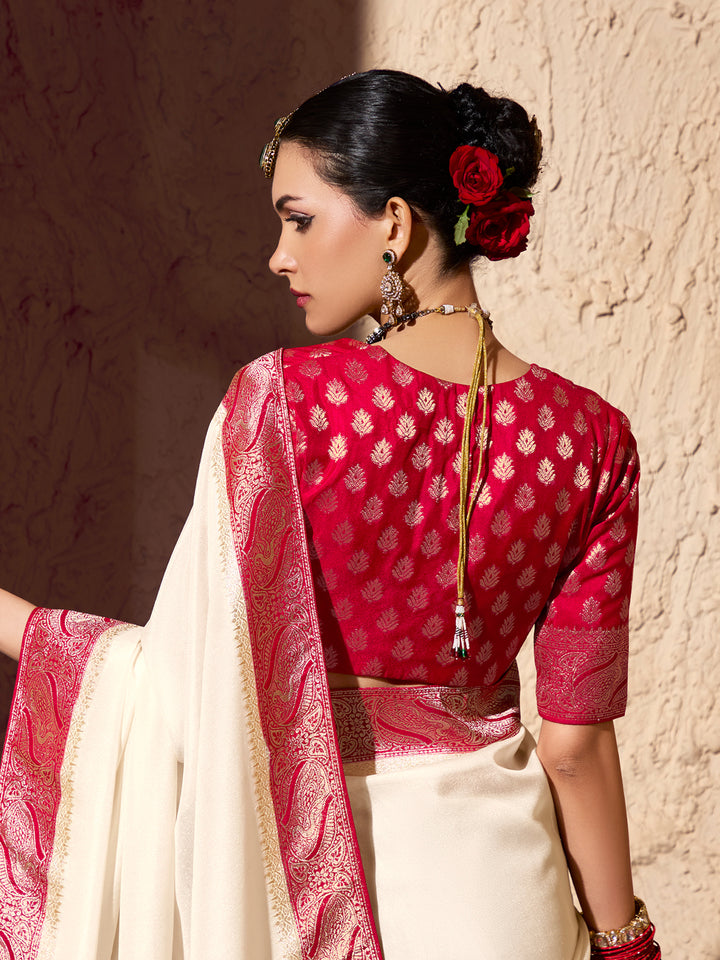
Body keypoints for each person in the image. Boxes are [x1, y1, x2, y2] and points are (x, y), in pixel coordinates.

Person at [0, 70, 661, 960]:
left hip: (287, 881)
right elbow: (576, 744)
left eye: (299, 218)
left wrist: (13, 622)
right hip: (502, 892)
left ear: (393, 224)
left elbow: (179, 679)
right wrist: (624, 940)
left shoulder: (278, 404)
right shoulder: (593, 440)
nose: (279, 254)